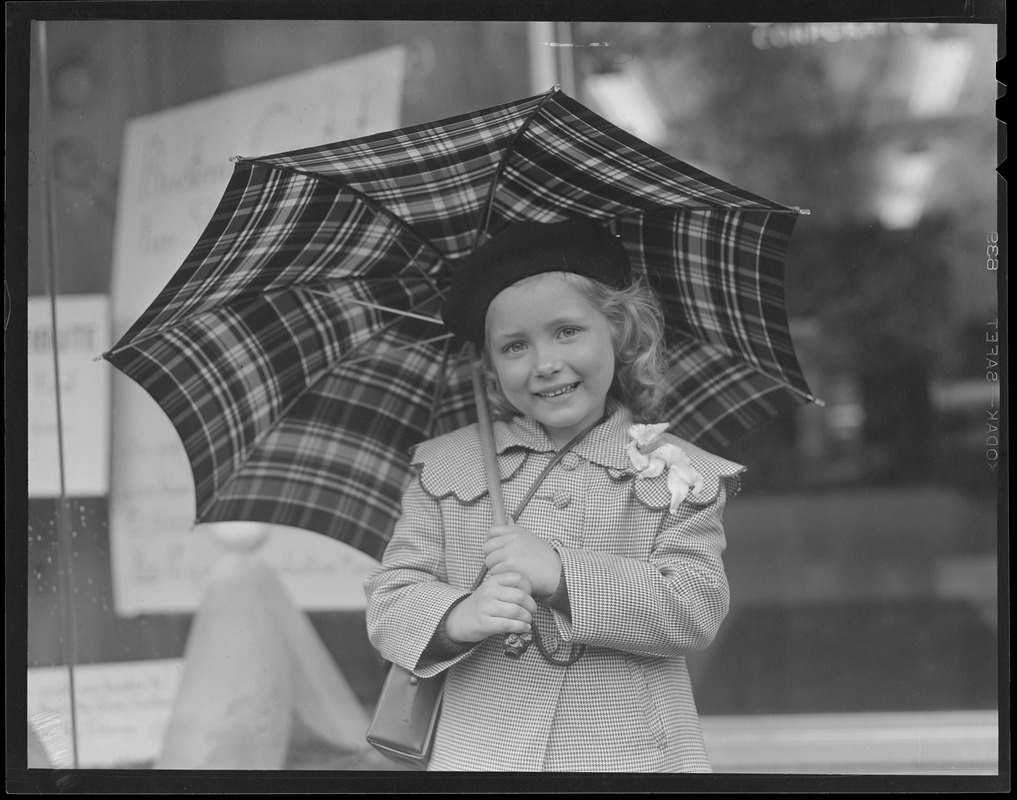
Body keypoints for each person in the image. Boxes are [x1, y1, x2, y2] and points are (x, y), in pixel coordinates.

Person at [364, 218, 744, 772]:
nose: (545, 364)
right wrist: (456, 618)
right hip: (482, 754)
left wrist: (562, 574)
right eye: (515, 346)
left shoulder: (678, 473)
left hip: (633, 754)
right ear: (489, 367)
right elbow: (390, 598)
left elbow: (695, 607)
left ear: (618, 331)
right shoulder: (445, 467)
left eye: (567, 331)